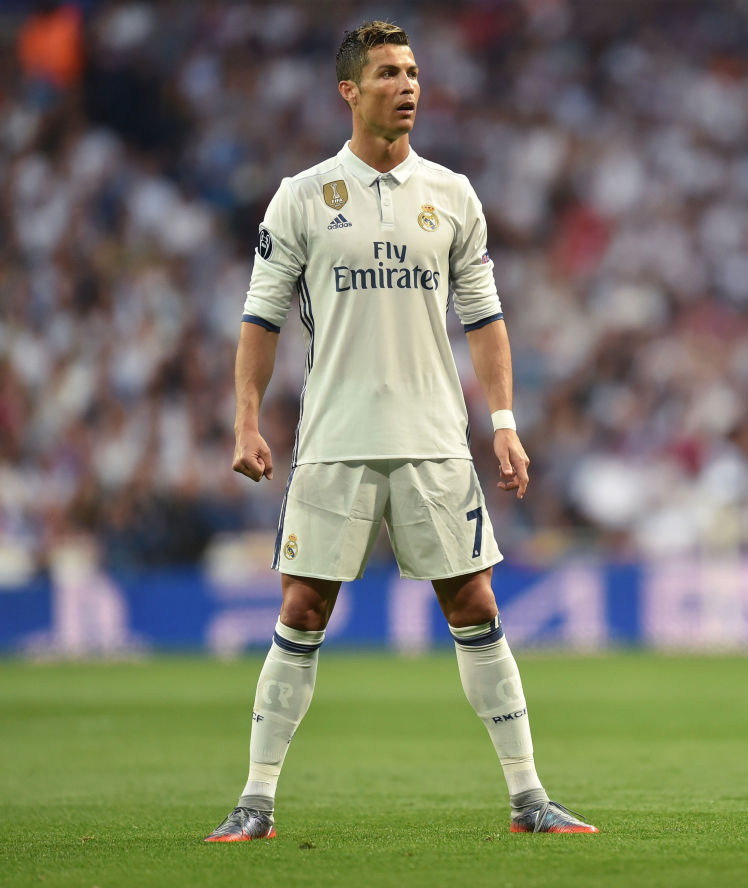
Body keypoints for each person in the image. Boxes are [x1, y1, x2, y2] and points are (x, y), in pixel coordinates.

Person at [205, 20, 597, 841]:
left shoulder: (452, 194)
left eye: (414, 71)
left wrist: (504, 423)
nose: (408, 85)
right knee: (304, 608)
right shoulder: (302, 196)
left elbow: (485, 318)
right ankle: (255, 802)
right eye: (389, 72)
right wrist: (244, 419)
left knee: (475, 599)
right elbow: (261, 318)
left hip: (433, 439)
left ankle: (529, 798)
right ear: (349, 91)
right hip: (335, 440)